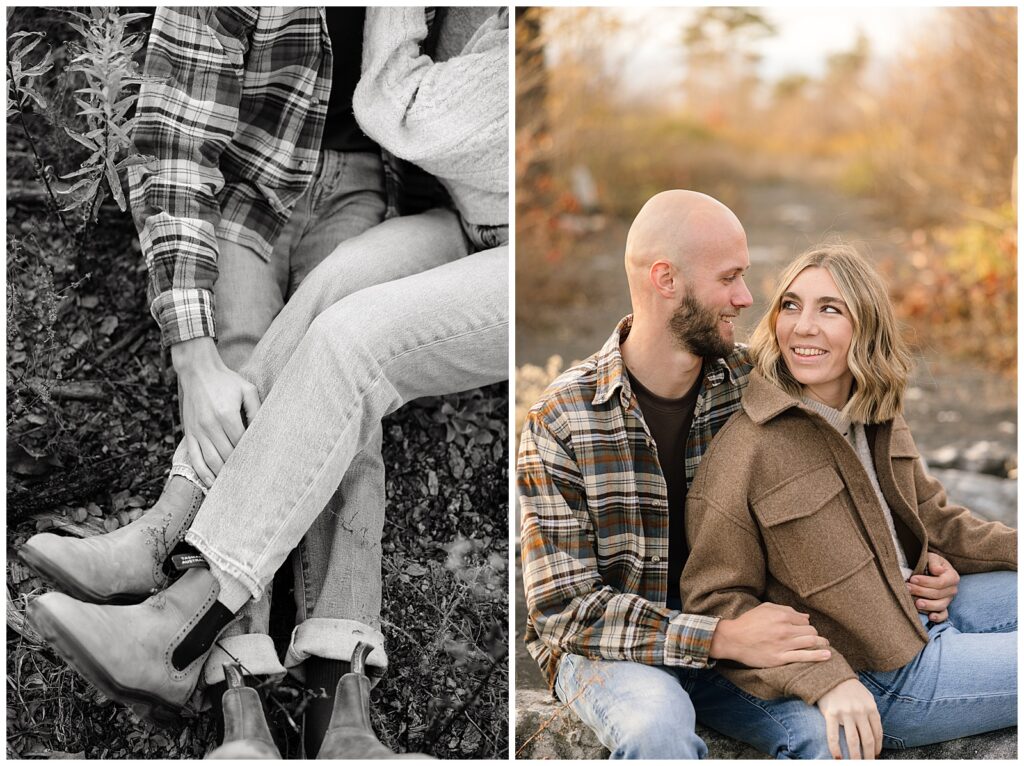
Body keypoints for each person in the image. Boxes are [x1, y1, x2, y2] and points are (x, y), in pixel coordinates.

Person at [22, 6, 508, 757]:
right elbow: (174, 138)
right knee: (280, 345)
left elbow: (419, 108)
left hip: (439, 212)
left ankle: (328, 704)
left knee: (349, 372)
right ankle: (228, 675)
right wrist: (194, 358)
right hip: (264, 190)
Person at [518, 190, 964, 759]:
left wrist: (917, 555)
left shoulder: (756, 380)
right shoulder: (563, 420)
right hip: (618, 653)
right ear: (666, 279)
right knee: (655, 726)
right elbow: (563, 610)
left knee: (830, 739)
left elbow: (859, 439)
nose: (747, 298)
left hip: (743, 647)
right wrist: (720, 635)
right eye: (729, 278)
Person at [682, 242, 1016, 759]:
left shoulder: (876, 412)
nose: (803, 327)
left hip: (923, 612)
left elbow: (936, 520)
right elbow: (718, 603)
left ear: (867, 326)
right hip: (883, 674)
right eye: (791, 306)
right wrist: (824, 680)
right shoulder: (747, 451)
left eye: (829, 309)